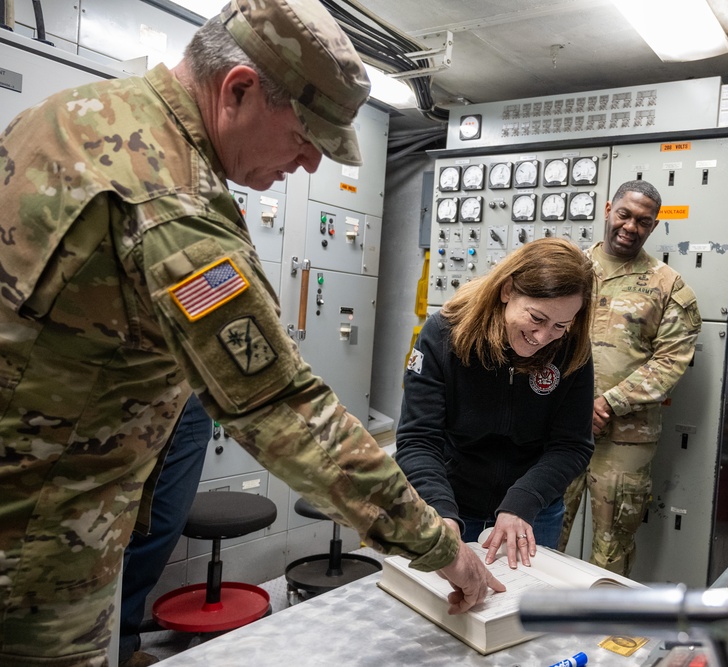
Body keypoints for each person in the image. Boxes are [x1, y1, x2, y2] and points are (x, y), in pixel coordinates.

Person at [0, 2, 502, 665]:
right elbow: (287, 412)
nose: (308, 166)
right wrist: (442, 548)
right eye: (303, 140)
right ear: (236, 91)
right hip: (34, 551)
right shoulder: (173, 204)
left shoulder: (68, 114)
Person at [395, 237, 595, 569]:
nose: (544, 337)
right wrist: (440, 511)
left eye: (560, 325)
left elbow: (572, 445)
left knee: (521, 607)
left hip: (532, 507)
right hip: (451, 498)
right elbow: (419, 438)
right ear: (507, 290)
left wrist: (522, 502)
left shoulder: (572, 348)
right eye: (536, 317)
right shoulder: (444, 333)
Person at [558, 179, 701, 577]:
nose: (630, 226)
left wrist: (606, 403)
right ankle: (528, 623)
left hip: (625, 437)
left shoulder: (668, 286)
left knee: (613, 545)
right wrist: (570, 406)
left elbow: (671, 361)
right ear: (608, 209)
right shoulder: (568, 269)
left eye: (643, 221)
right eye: (624, 214)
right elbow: (534, 340)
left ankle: (602, 629)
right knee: (539, 529)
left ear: (653, 227)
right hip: (555, 427)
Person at [118, 396, 212, 667]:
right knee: (103, 526)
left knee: (162, 525)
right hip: (119, 383)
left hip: (187, 394)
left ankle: (121, 644)